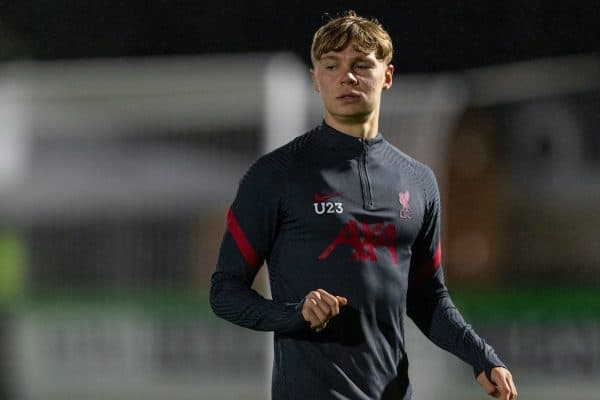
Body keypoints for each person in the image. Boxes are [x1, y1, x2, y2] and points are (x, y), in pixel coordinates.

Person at [210, 10, 517, 400]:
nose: (346, 76)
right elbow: (224, 291)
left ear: (386, 76)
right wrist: (294, 314)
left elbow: (427, 299)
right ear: (316, 79)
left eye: (361, 65)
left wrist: (482, 356)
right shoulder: (276, 175)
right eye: (332, 65)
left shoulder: (418, 181)